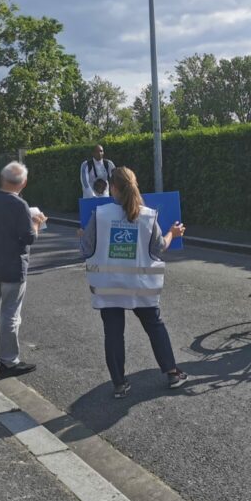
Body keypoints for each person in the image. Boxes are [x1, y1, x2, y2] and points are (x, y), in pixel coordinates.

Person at [79, 166, 189, 397]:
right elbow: (159, 248)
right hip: (142, 286)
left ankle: (119, 384)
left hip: (108, 286)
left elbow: (86, 249)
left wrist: (83, 236)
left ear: (114, 188)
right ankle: (171, 372)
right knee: (154, 326)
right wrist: (172, 233)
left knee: (113, 333)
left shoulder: (99, 215)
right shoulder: (148, 215)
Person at [0, 161, 47, 377]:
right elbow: (28, 237)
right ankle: (8, 361)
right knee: (10, 315)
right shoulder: (20, 205)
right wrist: (36, 222)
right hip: (12, 268)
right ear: (23, 183)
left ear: (2, 178)